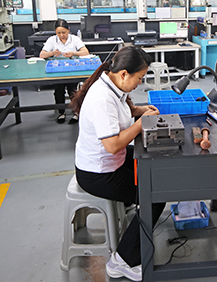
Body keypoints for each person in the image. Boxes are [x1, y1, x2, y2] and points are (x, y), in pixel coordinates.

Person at [69, 46, 165, 282]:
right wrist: (141, 123)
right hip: (98, 174)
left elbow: (122, 111)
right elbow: (112, 145)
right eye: (139, 78)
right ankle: (122, 261)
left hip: (109, 162)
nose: (139, 83)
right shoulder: (102, 98)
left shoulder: (112, 85)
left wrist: (140, 110)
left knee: (151, 161)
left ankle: (132, 204)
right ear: (124, 74)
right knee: (156, 195)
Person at [40, 19, 89, 123]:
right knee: (59, 90)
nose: (61, 35)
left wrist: (74, 53)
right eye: (58, 33)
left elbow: (85, 52)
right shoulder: (52, 40)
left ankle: (76, 112)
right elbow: (42, 55)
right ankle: (61, 113)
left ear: (68, 30)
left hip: (72, 70)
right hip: (57, 70)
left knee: (73, 90)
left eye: (64, 32)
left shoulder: (74, 39)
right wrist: (52, 53)